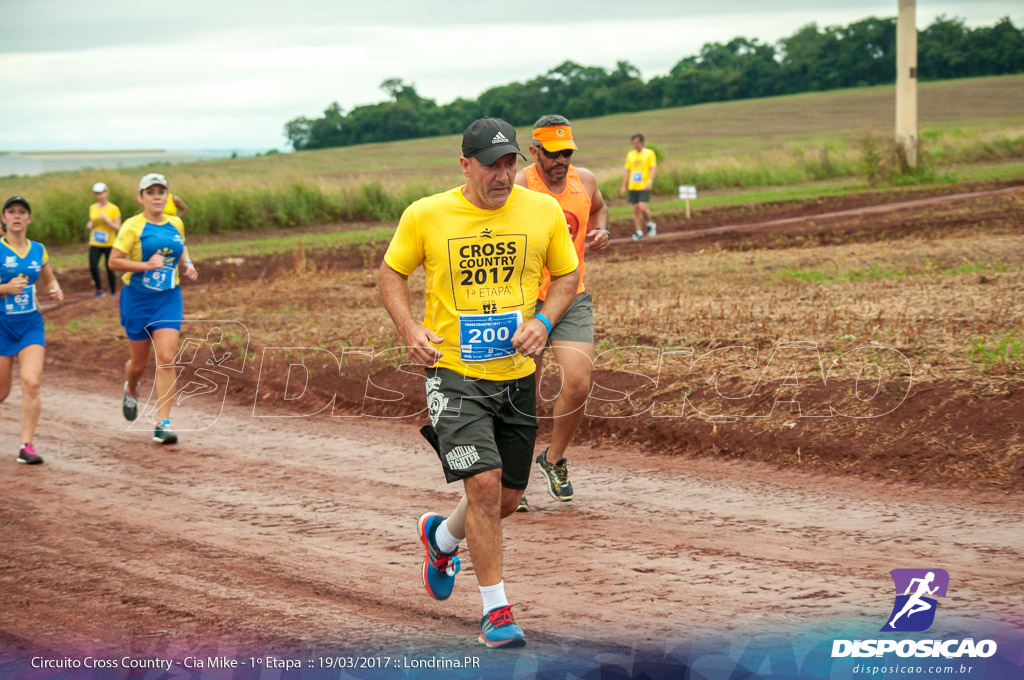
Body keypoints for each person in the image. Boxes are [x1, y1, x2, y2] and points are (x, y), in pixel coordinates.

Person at [379, 117, 579, 648]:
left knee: (507, 499)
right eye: (493, 164)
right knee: (484, 488)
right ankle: (496, 611)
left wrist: (543, 322)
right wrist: (409, 328)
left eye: (511, 162)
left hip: (515, 374)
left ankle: (441, 538)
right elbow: (391, 272)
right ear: (465, 164)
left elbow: (567, 275)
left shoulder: (542, 211)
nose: (504, 173)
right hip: (454, 373)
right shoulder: (426, 214)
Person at [513, 115, 609, 512]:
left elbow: (600, 209)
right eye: (553, 154)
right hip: (523, 301)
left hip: (571, 297)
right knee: (518, 391)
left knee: (578, 384)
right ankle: (509, 479)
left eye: (567, 152)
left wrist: (603, 231)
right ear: (535, 151)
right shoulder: (519, 184)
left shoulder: (584, 180)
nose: (561, 160)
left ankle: (552, 459)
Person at [109, 174, 198, 444]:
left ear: (167, 196)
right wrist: (146, 266)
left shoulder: (176, 222)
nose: (157, 196)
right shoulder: (132, 226)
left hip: (168, 298)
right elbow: (114, 262)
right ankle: (132, 387)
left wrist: (188, 262)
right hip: (137, 299)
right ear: (141, 197)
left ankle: (163, 423)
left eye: (161, 191)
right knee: (138, 364)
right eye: (151, 192)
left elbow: (180, 246)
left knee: (167, 358)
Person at [0, 196, 65, 464]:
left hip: (30, 325)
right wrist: (4, 288)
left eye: (22, 212)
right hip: (2, 327)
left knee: (31, 383)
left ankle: (26, 446)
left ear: (29, 219)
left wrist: (54, 289)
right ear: (3, 218)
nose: (17, 216)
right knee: (1, 393)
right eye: (11, 212)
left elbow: (49, 279)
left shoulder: (38, 249)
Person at [86, 181, 121, 298]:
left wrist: (107, 220)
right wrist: (90, 224)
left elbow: (118, 228)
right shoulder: (92, 207)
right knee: (93, 266)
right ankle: (99, 290)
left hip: (109, 243)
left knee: (109, 267)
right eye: (96, 194)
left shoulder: (113, 209)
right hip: (95, 242)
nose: (99, 196)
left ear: (106, 193)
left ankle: (113, 291)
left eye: (101, 193)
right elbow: (92, 221)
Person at [619, 133, 657, 240]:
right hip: (633, 186)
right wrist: (623, 186)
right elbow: (627, 171)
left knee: (642, 207)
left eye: (636, 143)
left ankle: (650, 223)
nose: (635, 145)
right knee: (636, 209)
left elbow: (653, 168)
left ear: (642, 142)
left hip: (644, 185)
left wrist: (650, 181)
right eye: (633, 143)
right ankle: (639, 231)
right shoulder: (630, 155)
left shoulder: (649, 153)